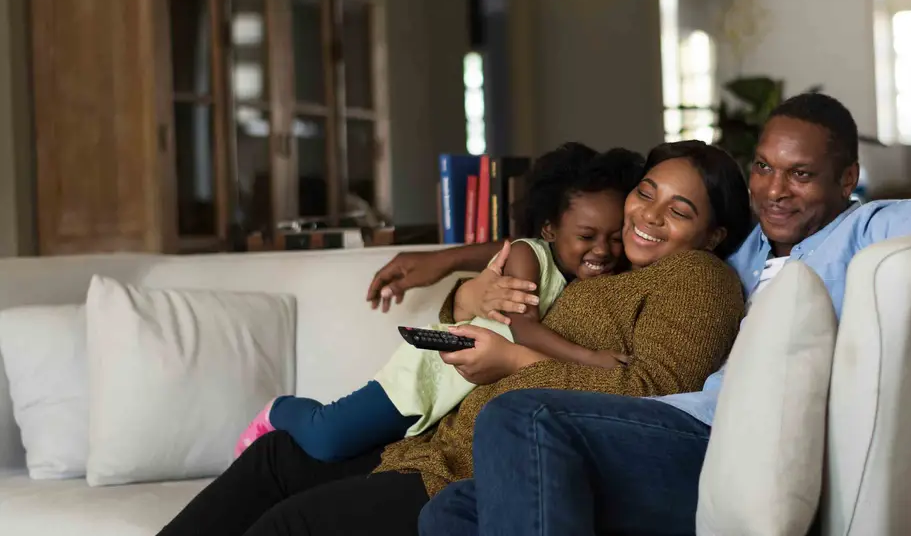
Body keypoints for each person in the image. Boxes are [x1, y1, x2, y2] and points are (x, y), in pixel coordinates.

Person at [393, 92, 911, 535]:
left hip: (722, 445)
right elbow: (587, 245)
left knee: (519, 413)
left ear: (846, 179)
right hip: (659, 426)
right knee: (449, 514)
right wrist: (456, 264)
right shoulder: (737, 242)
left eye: (801, 174)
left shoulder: (863, 227)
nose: (776, 189)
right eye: (764, 167)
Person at [157, 140, 754, 536]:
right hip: (434, 441)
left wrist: (514, 361)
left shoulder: (698, 279)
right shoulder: (610, 259)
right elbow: (529, 260)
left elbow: (653, 392)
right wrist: (458, 279)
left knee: (296, 524)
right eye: (646, 192)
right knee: (277, 458)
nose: (647, 216)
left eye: (678, 210)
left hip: (473, 469)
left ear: (712, 234)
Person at [231, 144, 643, 462]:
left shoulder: (579, 277)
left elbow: (488, 250)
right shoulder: (529, 256)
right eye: (587, 237)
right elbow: (525, 328)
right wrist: (590, 358)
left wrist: (443, 261)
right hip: (423, 376)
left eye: (614, 237)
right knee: (328, 439)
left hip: (452, 396)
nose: (603, 250)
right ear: (551, 229)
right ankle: (278, 410)